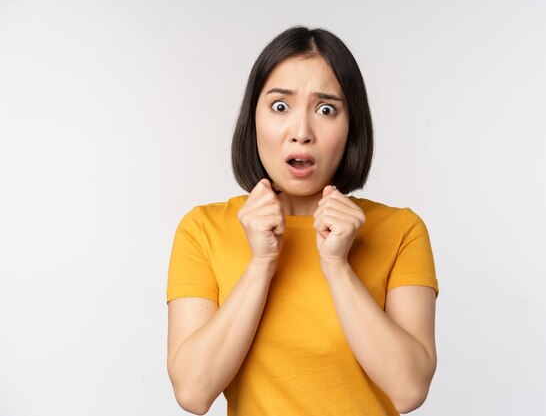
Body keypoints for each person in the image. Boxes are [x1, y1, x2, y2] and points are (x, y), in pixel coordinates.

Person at [166, 26, 439, 416]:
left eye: (326, 109)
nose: (301, 133)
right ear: (253, 117)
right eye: (280, 106)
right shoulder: (202, 229)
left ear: (352, 126)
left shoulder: (401, 230)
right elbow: (193, 392)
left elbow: (409, 389)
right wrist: (260, 265)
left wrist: (337, 265)